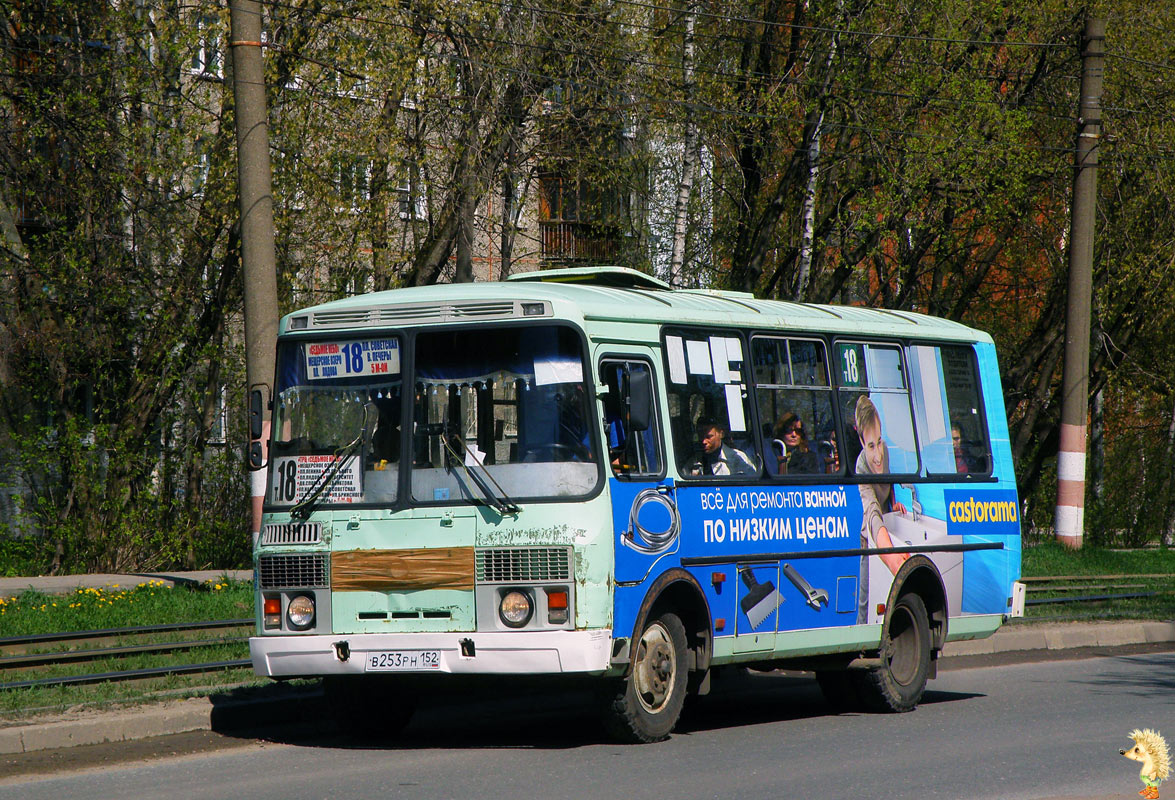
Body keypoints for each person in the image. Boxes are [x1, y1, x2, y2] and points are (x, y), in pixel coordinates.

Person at [855, 394, 908, 624]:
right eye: (870, 445)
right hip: (873, 535)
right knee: (866, 603)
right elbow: (873, 512)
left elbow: (889, 482)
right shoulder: (860, 466)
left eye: (879, 441)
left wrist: (894, 502)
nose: (877, 455)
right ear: (860, 440)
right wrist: (893, 559)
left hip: (889, 529)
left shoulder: (886, 450)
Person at [690, 416, 756, 476]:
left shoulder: (737, 458)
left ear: (721, 434)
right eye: (700, 436)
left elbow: (752, 484)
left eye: (708, 437)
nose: (704, 441)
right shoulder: (692, 461)